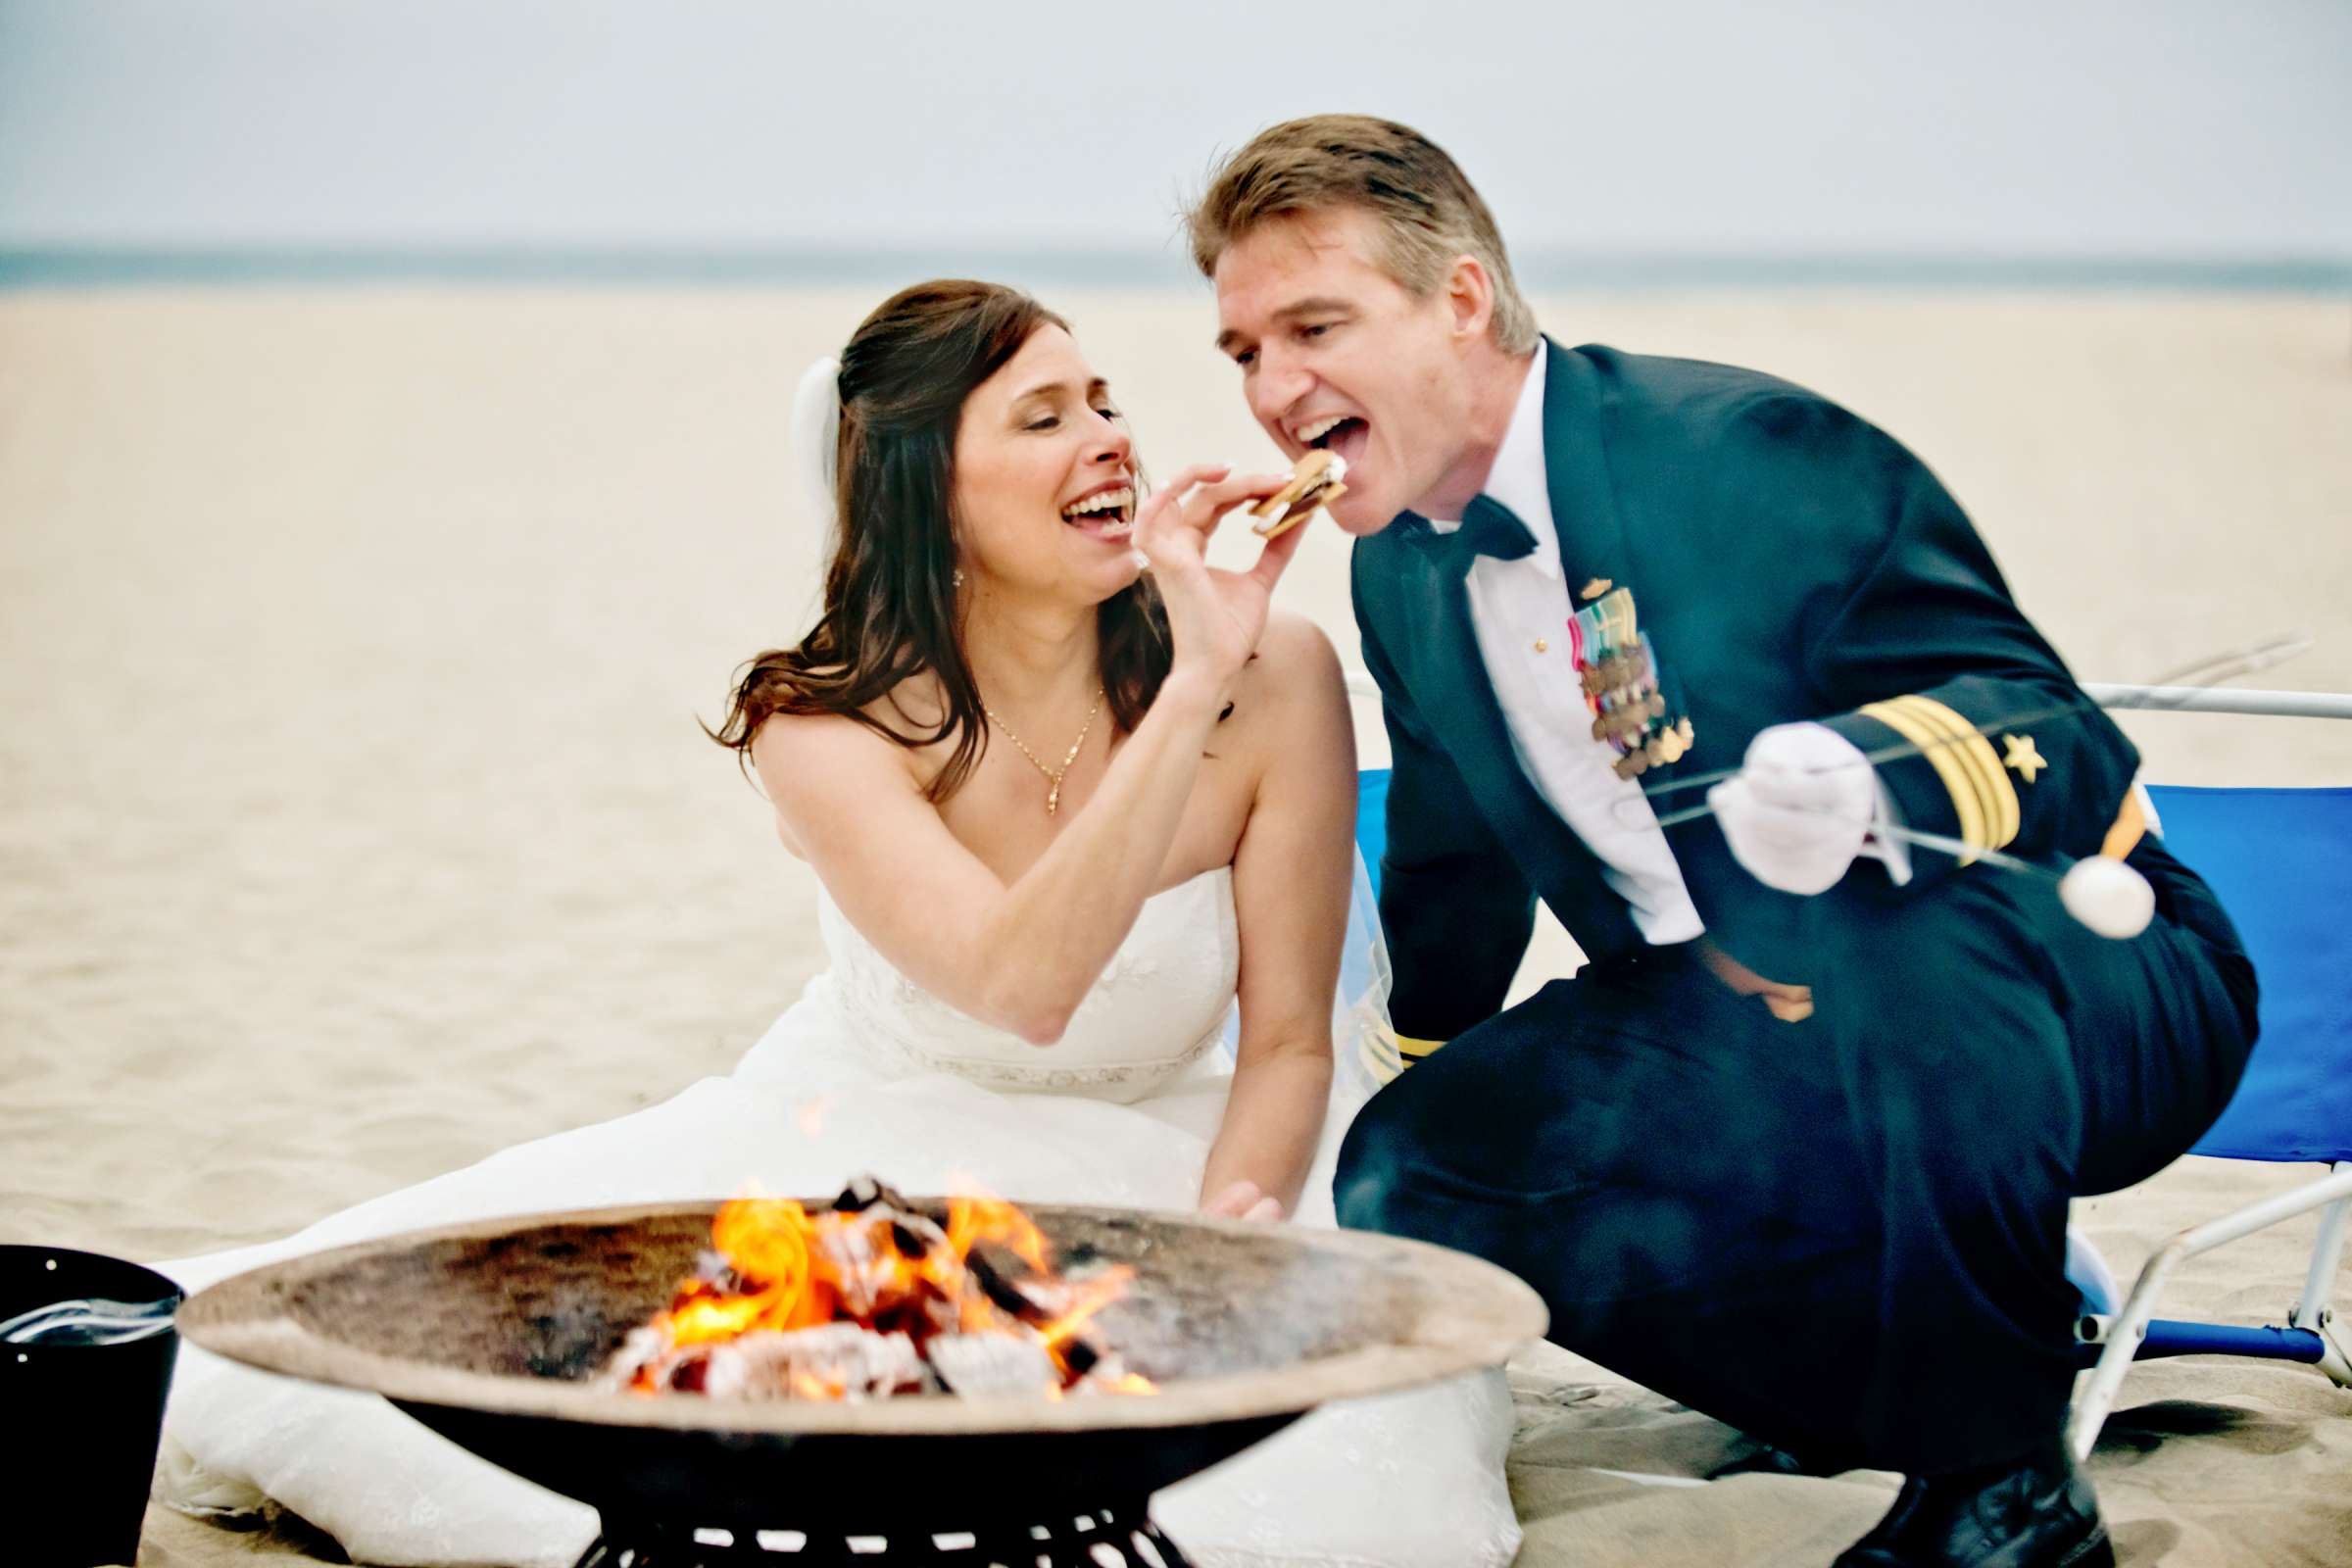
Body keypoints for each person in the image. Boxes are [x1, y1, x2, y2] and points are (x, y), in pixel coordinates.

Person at [154, 280, 1520, 1568]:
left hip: (1185, 1162)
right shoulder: (824, 724)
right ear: (928, 490)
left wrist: (1233, 1254)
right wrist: (1187, 688)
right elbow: (1023, 986)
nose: (1108, 439)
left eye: (1103, 402)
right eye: (1044, 418)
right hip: (858, 1144)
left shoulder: (1277, 676)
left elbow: (1287, 1046)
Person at [1189, 117, 2258, 1568]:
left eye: (1316, 324)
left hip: (2078, 983)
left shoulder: (1744, 451)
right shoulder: (1398, 569)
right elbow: (1453, 854)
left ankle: (2003, 1488)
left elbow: (2059, 741)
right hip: (1737, 1024)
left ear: (1459, 299)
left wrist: (1869, 780)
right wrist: (1417, 1060)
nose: (1271, 387)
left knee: (1890, 916)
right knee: (1422, 1172)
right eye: (1243, 349)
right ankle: (1885, 1380)